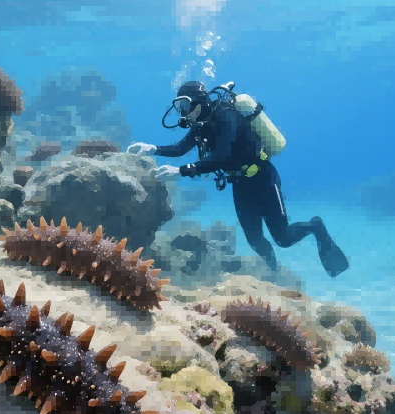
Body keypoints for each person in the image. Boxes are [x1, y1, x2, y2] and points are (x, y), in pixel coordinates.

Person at [127, 81, 349, 277]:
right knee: (254, 240)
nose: (182, 112)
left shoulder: (226, 115)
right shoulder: (200, 125)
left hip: (262, 178)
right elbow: (179, 148)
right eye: (178, 107)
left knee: (282, 238)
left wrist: (181, 171)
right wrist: (152, 148)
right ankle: (275, 272)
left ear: (200, 102)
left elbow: (223, 157)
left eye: (184, 105)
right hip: (240, 185)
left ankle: (316, 226)